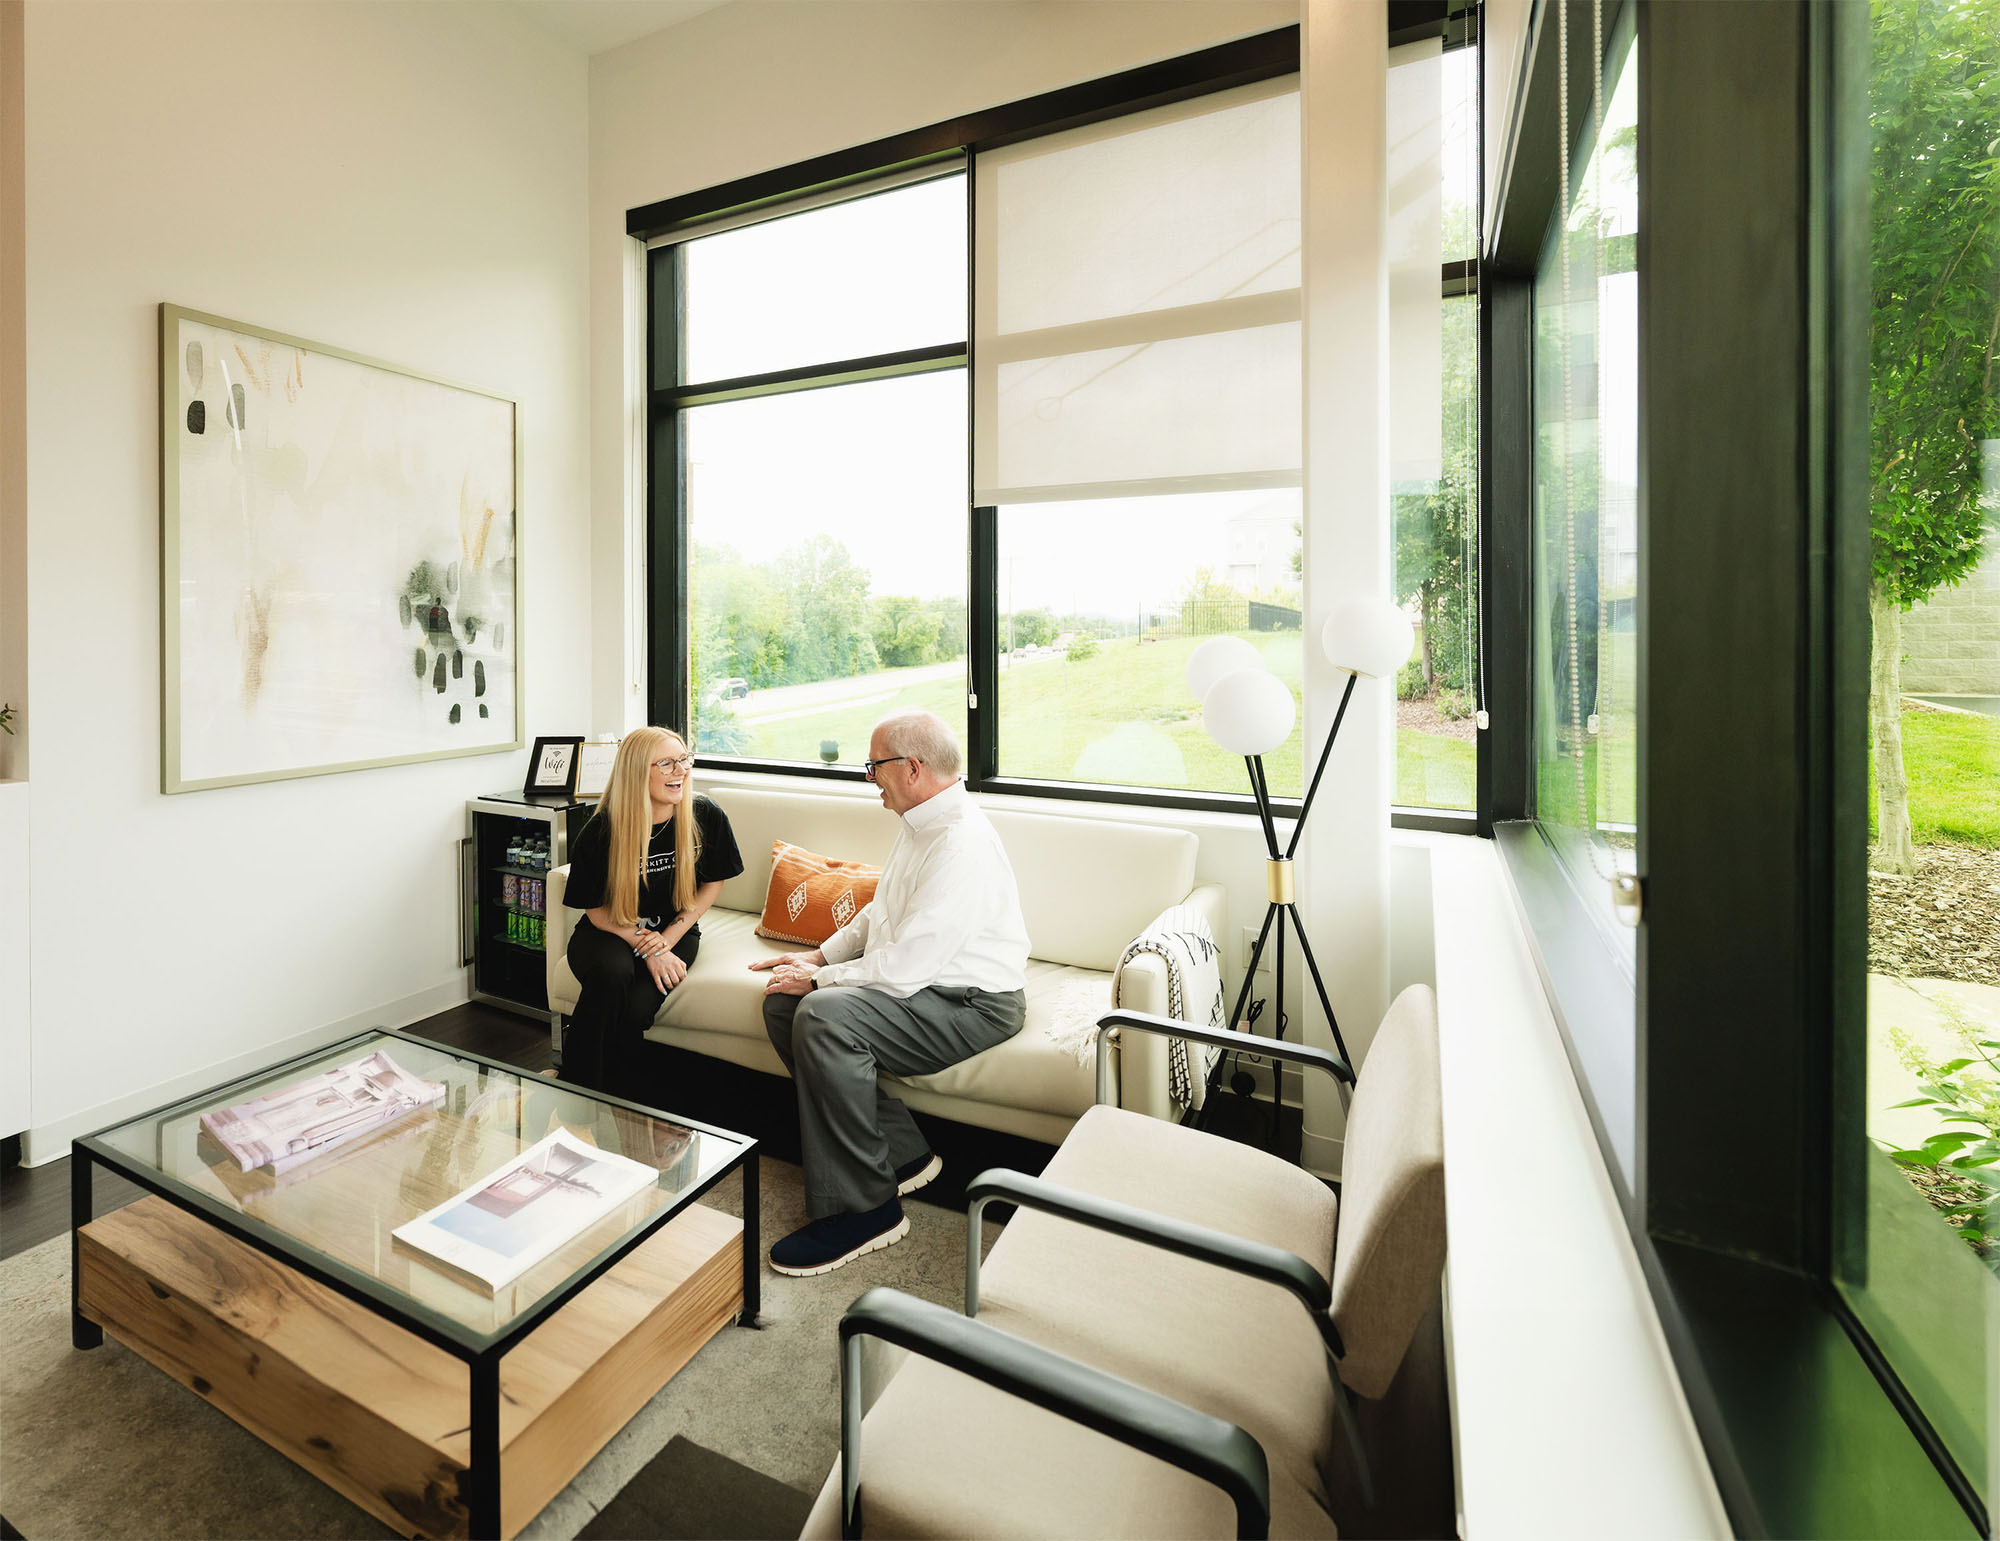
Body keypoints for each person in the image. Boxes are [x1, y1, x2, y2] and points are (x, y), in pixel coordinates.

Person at [751, 710, 1030, 1276]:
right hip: (929, 986)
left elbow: (905, 967)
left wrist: (822, 981)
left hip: (972, 1004)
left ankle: (867, 1209)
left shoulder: (960, 844)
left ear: (912, 767)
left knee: (823, 1016)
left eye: (873, 765)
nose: (870, 776)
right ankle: (902, 1151)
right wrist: (818, 957)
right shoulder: (922, 823)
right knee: (784, 1003)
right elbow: (884, 910)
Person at [562, 727, 742, 1094]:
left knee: (635, 1009)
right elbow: (596, 911)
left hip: (676, 932)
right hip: (609, 931)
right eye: (666, 763)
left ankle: (596, 1095)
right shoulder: (601, 830)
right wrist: (648, 944)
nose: (680, 771)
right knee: (611, 976)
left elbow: (713, 884)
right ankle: (578, 1099)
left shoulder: (704, 814)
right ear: (636, 771)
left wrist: (665, 942)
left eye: (683, 760)